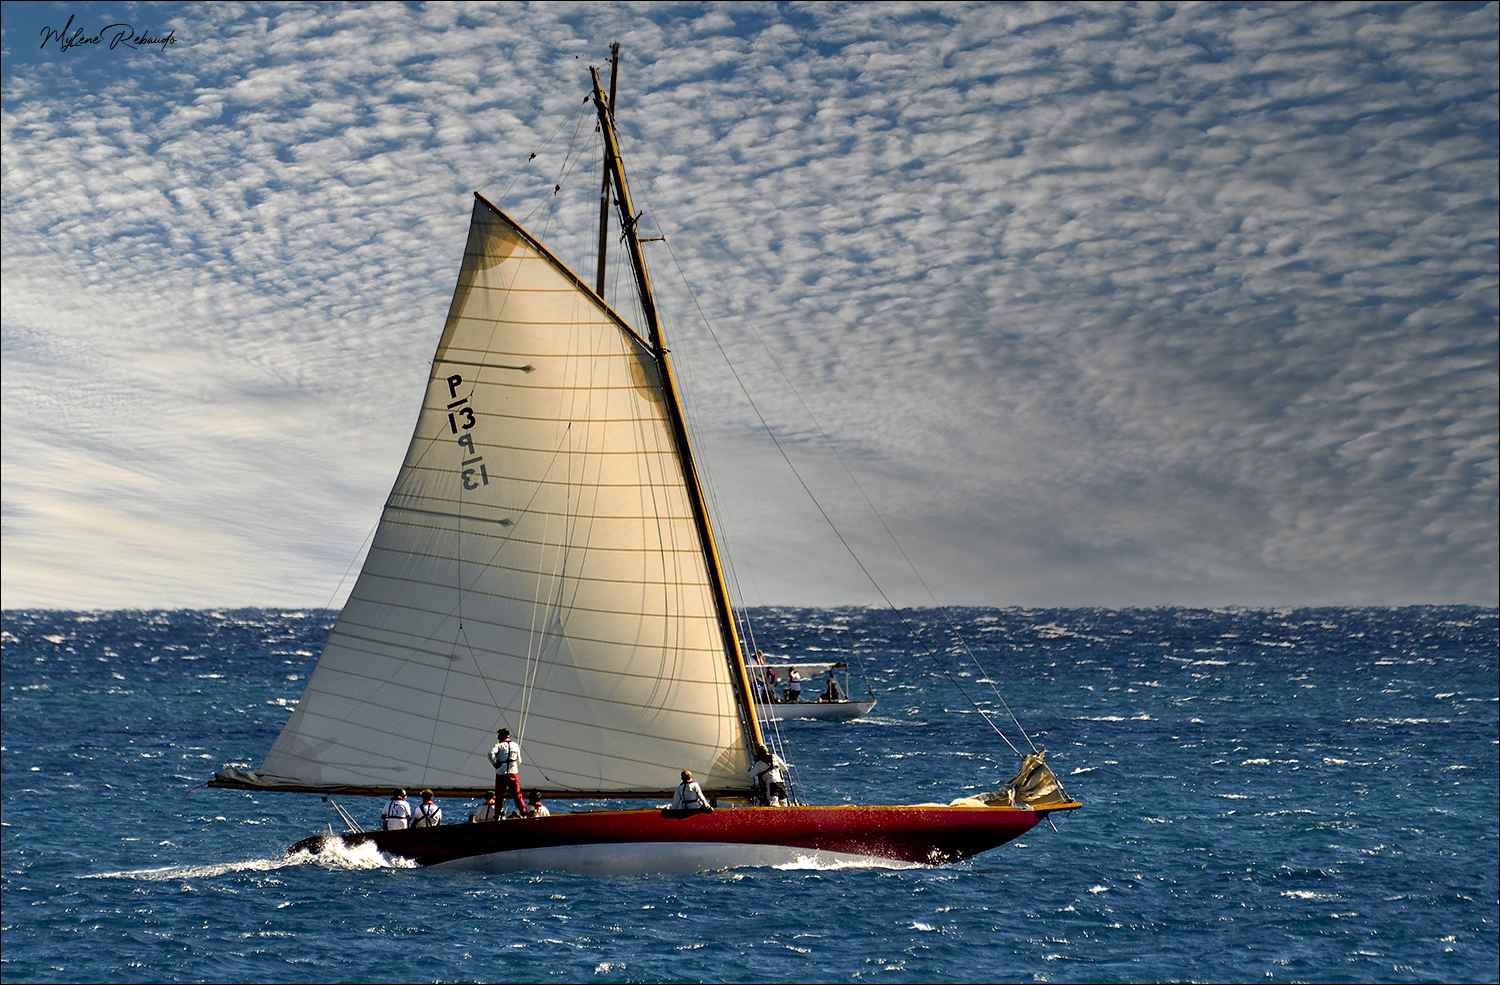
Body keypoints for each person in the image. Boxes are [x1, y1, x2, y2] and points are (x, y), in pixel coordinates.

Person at [489, 727, 526, 818]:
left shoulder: (499, 746)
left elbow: (490, 754)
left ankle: (497, 814)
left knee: (499, 796)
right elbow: (519, 761)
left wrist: (495, 764)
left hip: (501, 773)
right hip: (513, 773)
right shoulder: (515, 745)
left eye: (499, 736)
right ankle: (523, 812)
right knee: (517, 794)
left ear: (501, 736)